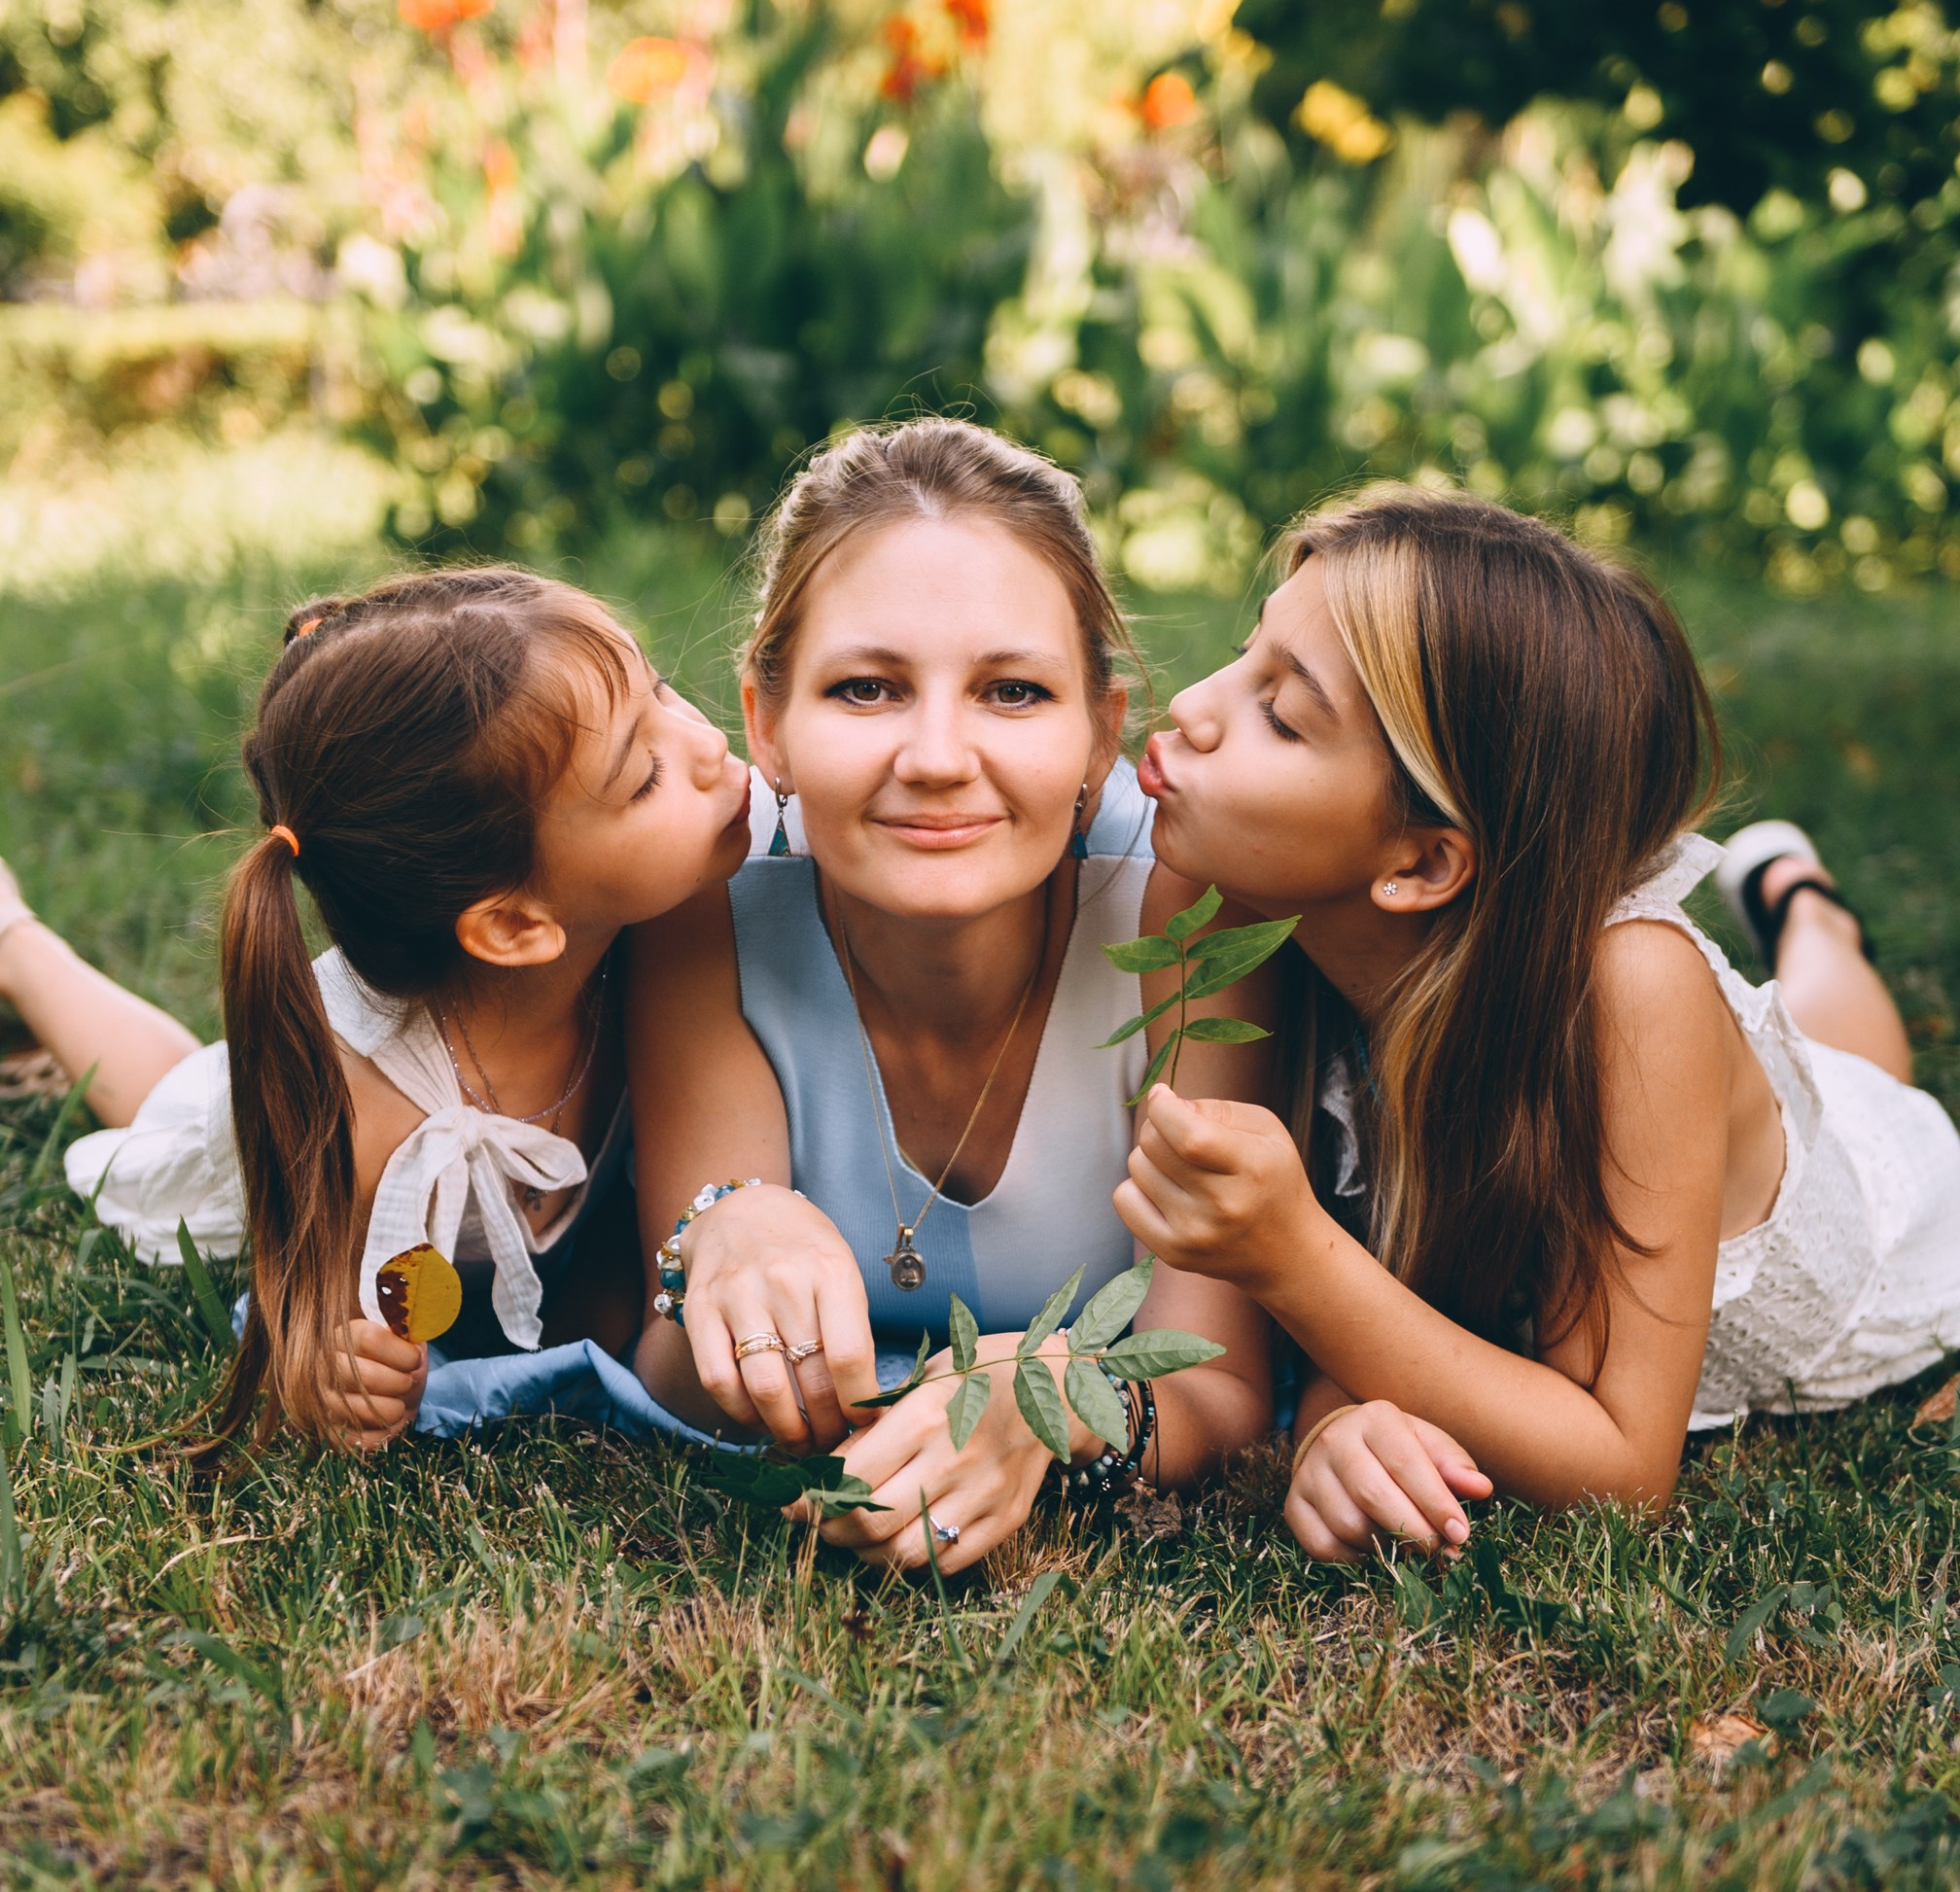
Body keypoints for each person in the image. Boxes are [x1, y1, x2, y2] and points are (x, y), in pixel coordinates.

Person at [1113, 485, 1960, 1562]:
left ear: (1424, 861)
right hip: (1677, 1127)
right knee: (1822, 1045)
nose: (1192, 706)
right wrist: (1333, 1422)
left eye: (1282, 715)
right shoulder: (1212, 906)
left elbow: (1624, 1472)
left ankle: (1806, 903)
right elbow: (1345, 1304)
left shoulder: (1632, 991)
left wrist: (1293, 1258)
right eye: (1246, 658)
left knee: (1854, 1069)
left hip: (1884, 1220)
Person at [629, 420, 1275, 1573]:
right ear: (767, 726)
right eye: (866, 689)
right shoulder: (704, 908)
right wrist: (722, 1237)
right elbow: (674, 1375)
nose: (936, 756)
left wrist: (1057, 1403)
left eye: (1013, 692)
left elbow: (1220, 1387)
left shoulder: (1185, 915)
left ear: (1101, 735)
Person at [19, 566, 752, 1453]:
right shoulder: (361, 1113)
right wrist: (341, 1367)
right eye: (645, 776)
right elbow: (310, 1326)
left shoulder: (651, 945)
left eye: (662, 689)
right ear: (516, 925)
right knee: (165, 1102)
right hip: (259, 1148)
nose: (705, 742)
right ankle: (20, 947)